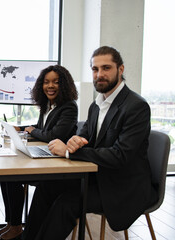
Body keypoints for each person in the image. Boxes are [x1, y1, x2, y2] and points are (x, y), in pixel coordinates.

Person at [22, 46, 158, 240]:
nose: (99, 74)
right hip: (98, 176)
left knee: (66, 203)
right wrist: (74, 141)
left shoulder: (136, 106)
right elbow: (83, 137)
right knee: (46, 186)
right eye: (95, 69)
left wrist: (69, 152)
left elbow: (120, 156)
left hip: (122, 185)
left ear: (121, 69)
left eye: (106, 68)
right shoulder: (96, 105)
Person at [0, 65, 78, 240]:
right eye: (46, 82)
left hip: (57, 166)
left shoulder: (69, 107)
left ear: (64, 85)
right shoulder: (48, 105)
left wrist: (30, 130)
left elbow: (54, 135)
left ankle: (16, 228)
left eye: (56, 82)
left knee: (12, 177)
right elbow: (40, 128)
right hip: (45, 158)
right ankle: (12, 224)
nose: (50, 86)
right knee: (6, 175)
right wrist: (21, 128)